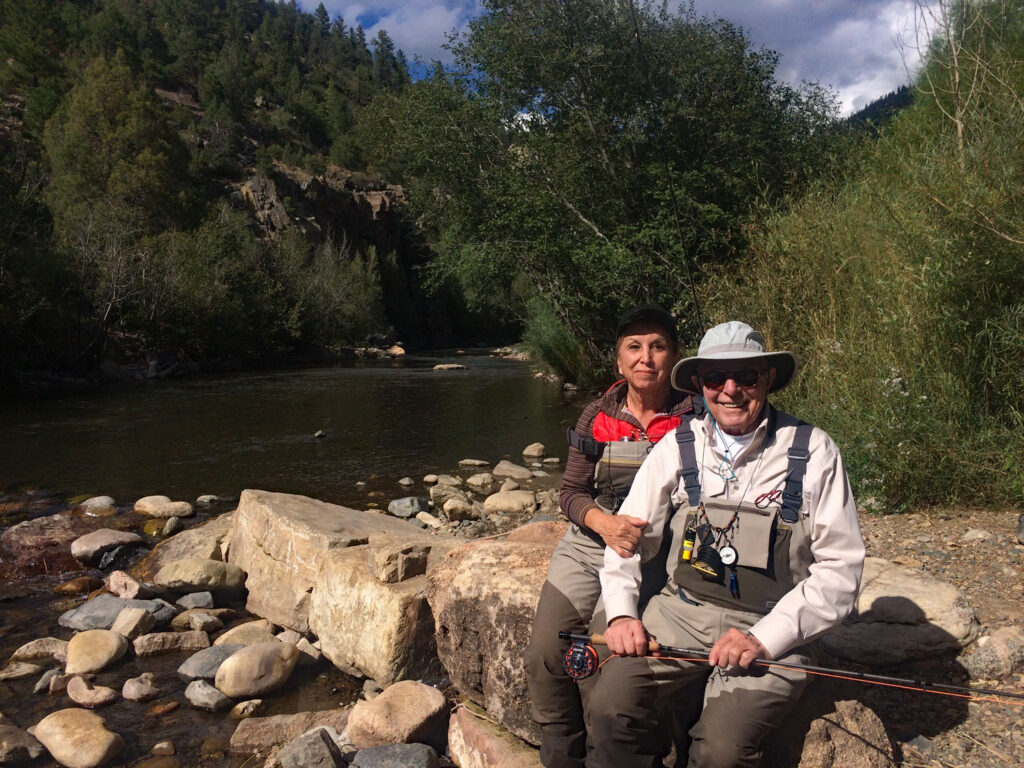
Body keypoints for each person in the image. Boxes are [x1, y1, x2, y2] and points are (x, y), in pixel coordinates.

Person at [587, 320, 865, 768]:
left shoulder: (815, 451)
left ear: (768, 379)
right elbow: (627, 541)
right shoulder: (677, 446)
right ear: (699, 383)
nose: (730, 390)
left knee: (722, 751)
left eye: (746, 376)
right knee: (610, 708)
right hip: (679, 614)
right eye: (715, 378)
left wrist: (764, 638)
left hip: (773, 624)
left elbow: (841, 572)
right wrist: (621, 613)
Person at [525, 305, 702, 768]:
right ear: (619, 362)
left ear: (675, 358)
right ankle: (563, 757)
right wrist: (603, 524)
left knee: (602, 664)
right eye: (634, 347)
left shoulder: (699, 418)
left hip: (654, 556)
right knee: (546, 654)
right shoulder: (596, 415)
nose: (646, 357)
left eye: (658, 346)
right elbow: (570, 494)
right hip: (589, 544)